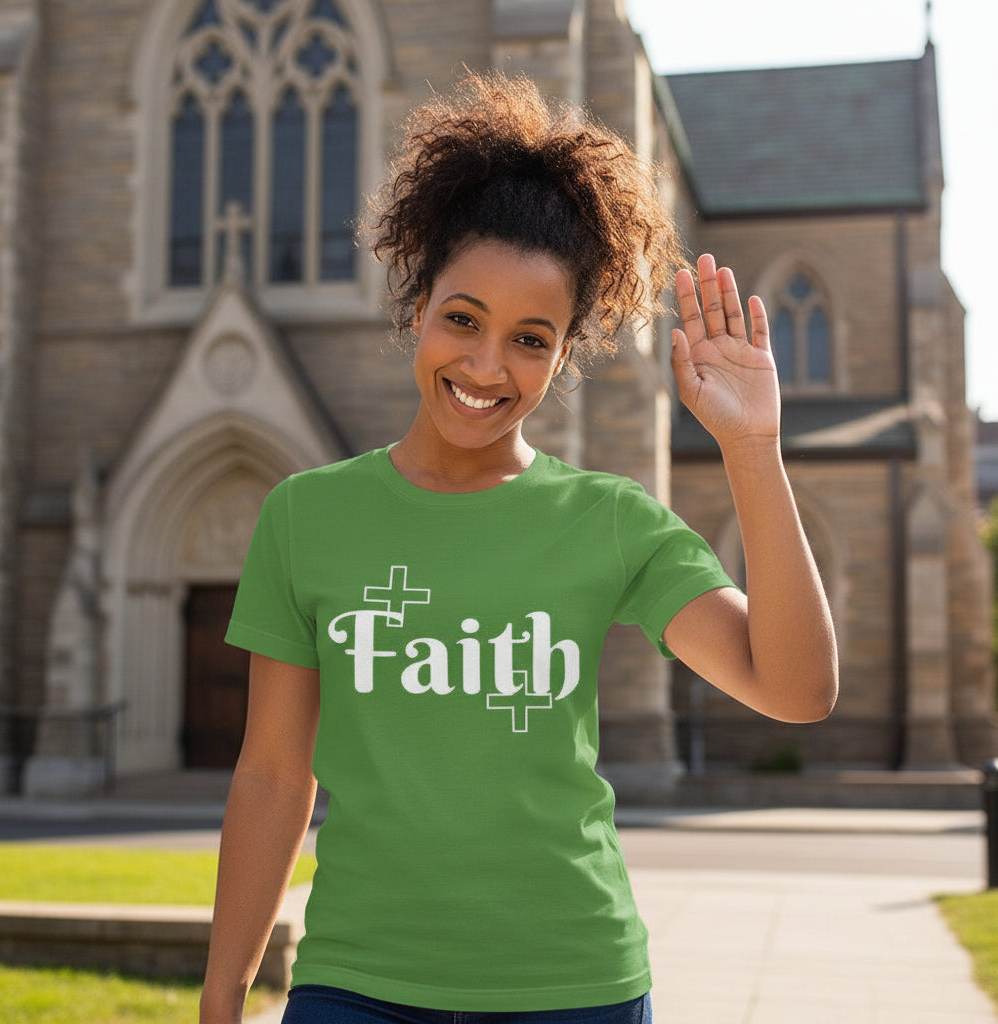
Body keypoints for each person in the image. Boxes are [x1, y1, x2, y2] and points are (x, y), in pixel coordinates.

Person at [199, 72, 837, 1024]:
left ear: (565, 352)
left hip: (574, 988)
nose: (487, 366)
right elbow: (273, 776)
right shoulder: (306, 517)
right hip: (355, 984)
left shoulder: (610, 521)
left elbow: (796, 689)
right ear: (418, 305)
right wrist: (220, 997)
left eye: (531, 339)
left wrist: (750, 448)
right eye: (463, 319)